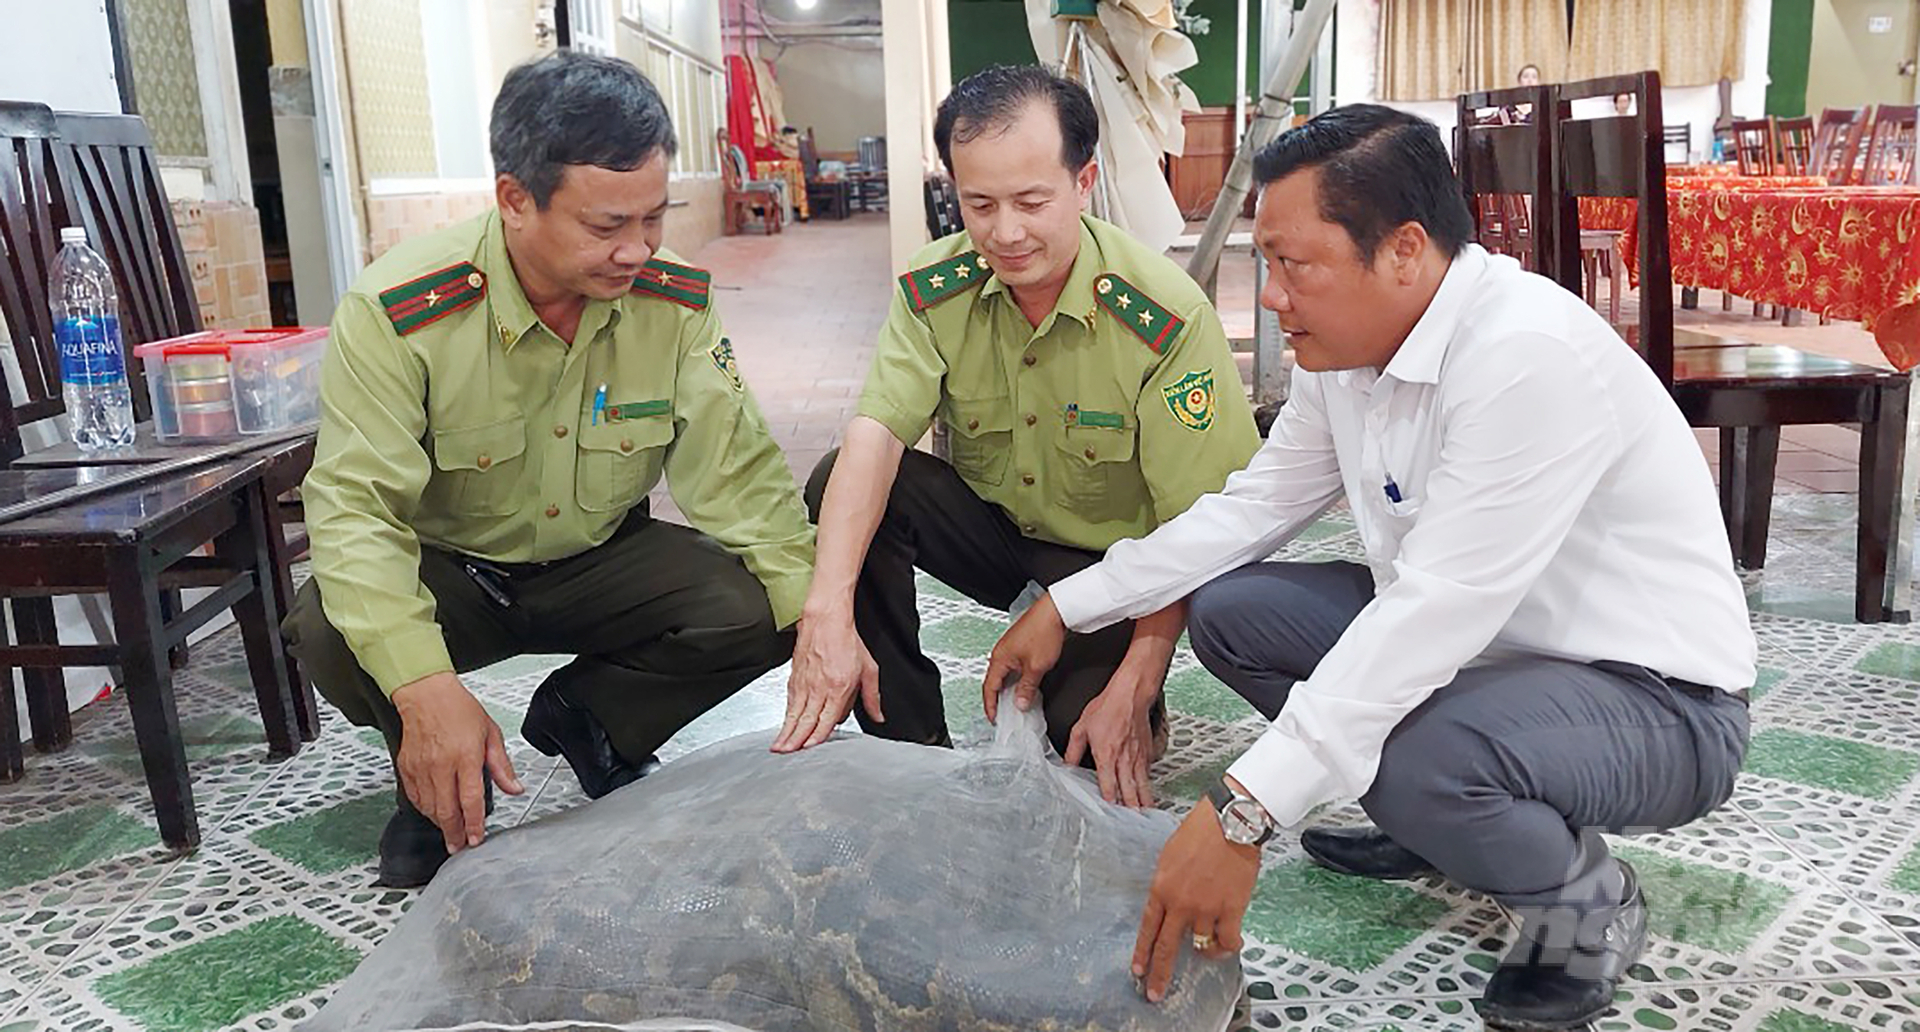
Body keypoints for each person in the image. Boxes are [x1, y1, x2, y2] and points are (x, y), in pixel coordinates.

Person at [986, 104, 1754, 1030]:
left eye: (1295, 265)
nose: (1273, 297)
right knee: (1237, 611)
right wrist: (1072, 606)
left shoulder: (1523, 356)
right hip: (1496, 660)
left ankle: (1585, 900)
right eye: (1267, 263)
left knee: (1420, 754)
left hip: (1654, 699)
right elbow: (1251, 509)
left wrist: (1242, 811)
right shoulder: (1346, 350)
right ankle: (1436, 823)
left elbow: (1435, 610)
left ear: (1403, 250)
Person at [285, 51, 814, 888]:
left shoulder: (672, 302)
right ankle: (431, 777)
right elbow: (355, 516)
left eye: (654, 217)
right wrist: (425, 688)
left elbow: (739, 473)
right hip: (454, 573)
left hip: (599, 561)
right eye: (607, 227)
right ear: (514, 201)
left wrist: (821, 629)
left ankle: (594, 721)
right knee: (331, 628)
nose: (637, 250)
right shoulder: (401, 313)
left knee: (767, 604)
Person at [775, 64, 1260, 809]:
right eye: (979, 204)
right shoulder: (938, 288)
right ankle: (906, 738)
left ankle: (1130, 698)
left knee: (1083, 745)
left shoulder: (1162, 317)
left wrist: (1137, 680)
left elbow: (1199, 527)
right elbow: (875, 436)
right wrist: (825, 614)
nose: (1005, 233)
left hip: (1116, 566)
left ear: (1085, 180)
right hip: (996, 535)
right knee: (847, 476)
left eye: (1032, 202)